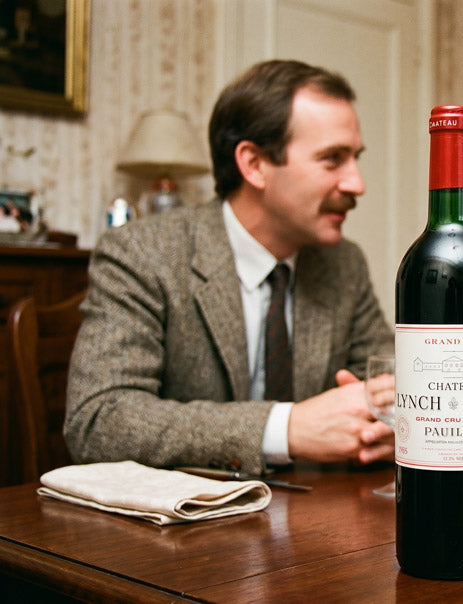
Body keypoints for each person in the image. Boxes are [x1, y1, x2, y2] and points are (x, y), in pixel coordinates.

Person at [64, 60, 394, 475]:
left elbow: (390, 384)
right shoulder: (142, 253)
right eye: (333, 159)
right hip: (179, 530)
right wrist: (284, 429)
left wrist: (393, 425)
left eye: (356, 158)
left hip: (315, 523)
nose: (356, 183)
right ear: (254, 164)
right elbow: (98, 419)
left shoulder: (344, 263)